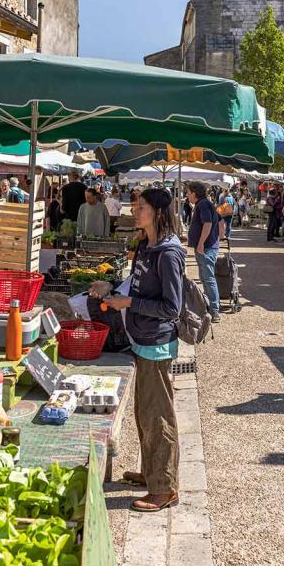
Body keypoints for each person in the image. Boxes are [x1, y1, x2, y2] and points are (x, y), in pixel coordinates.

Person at [91, 188, 184, 512]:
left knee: (158, 417)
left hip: (157, 342)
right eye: (134, 205)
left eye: (140, 206)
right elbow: (137, 285)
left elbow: (172, 307)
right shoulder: (146, 245)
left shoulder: (169, 253)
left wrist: (128, 302)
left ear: (158, 212)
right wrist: (113, 289)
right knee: (144, 413)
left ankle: (165, 488)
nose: (134, 210)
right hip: (140, 339)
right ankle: (150, 473)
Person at [187, 181, 221, 323]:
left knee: (208, 278)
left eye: (188, 193)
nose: (187, 195)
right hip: (208, 246)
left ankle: (214, 310)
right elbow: (219, 222)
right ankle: (209, 307)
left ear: (194, 193)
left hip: (206, 247)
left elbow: (208, 223)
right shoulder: (205, 204)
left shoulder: (203, 204)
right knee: (205, 278)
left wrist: (201, 243)